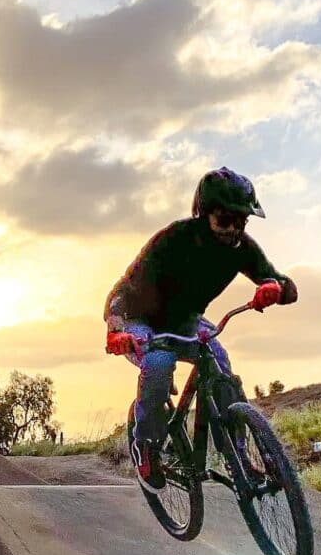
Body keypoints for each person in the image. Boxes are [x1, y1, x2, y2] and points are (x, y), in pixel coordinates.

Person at [104, 167, 298, 492]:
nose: (234, 230)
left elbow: (282, 282)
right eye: (225, 220)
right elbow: (123, 289)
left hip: (187, 321)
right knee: (159, 364)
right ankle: (146, 445)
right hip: (141, 321)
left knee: (221, 368)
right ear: (205, 213)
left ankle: (239, 458)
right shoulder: (173, 239)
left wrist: (274, 288)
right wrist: (115, 328)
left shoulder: (242, 248)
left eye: (242, 221)